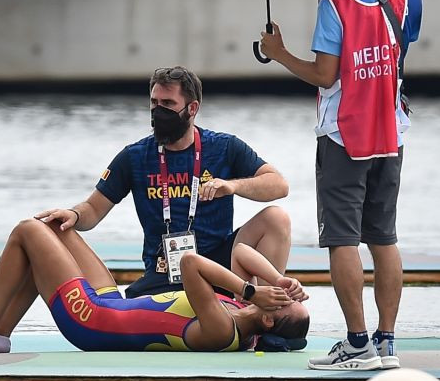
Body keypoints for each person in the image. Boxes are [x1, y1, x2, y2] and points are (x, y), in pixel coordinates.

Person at [259, 0, 422, 371]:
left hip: (343, 136)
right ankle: (386, 344)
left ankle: (356, 344)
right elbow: (396, 54)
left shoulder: (334, 3)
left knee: (342, 239)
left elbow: (324, 75)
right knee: (384, 238)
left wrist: (279, 52)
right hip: (392, 132)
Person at [37, 66, 291, 301]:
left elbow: (278, 185)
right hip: (164, 269)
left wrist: (232, 186)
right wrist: (73, 214)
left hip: (220, 265)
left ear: (192, 108)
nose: (159, 111)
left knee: (276, 218)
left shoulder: (224, 147)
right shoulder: (134, 156)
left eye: (168, 104)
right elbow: (93, 209)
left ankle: (266, 313)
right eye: (154, 103)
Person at [0, 217, 309, 355]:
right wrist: (278, 279)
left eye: (283, 300)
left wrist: (250, 290)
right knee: (54, 229)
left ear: (269, 320)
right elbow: (241, 251)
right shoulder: (244, 308)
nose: (280, 295)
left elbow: (190, 264)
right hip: (110, 301)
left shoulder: (223, 330)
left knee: (28, 230)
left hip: (92, 320)